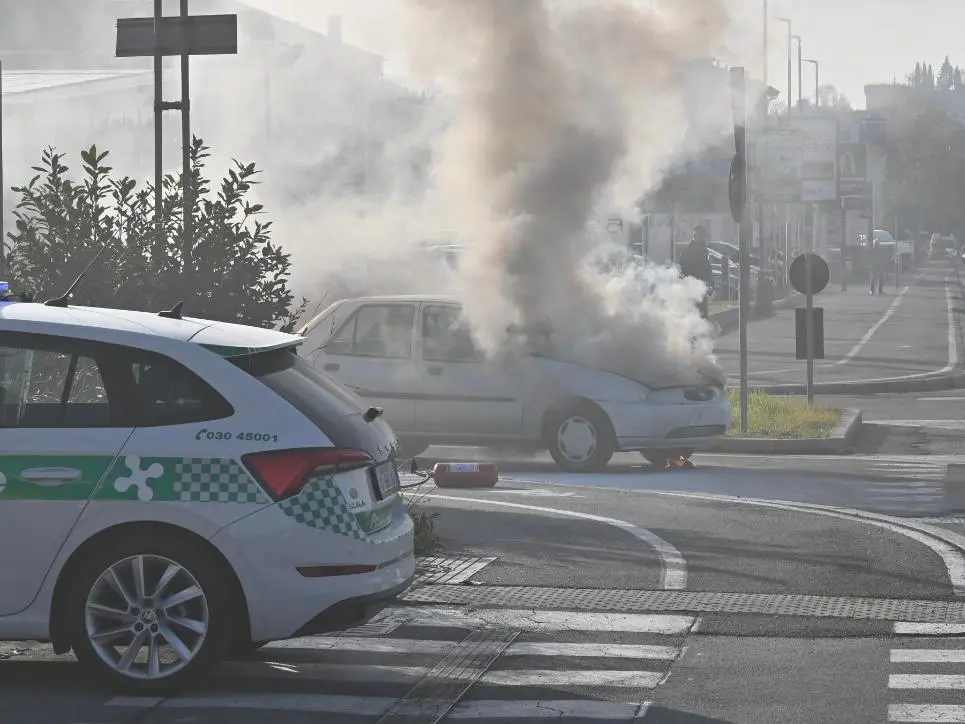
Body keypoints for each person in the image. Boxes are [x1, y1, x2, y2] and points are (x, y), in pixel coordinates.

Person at [679, 225, 715, 318]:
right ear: (695, 236)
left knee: (701, 317)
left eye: (703, 236)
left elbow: (707, 269)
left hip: (701, 289)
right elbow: (684, 269)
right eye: (700, 236)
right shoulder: (690, 251)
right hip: (693, 289)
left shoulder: (703, 250)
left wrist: (710, 283)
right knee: (696, 316)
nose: (703, 239)